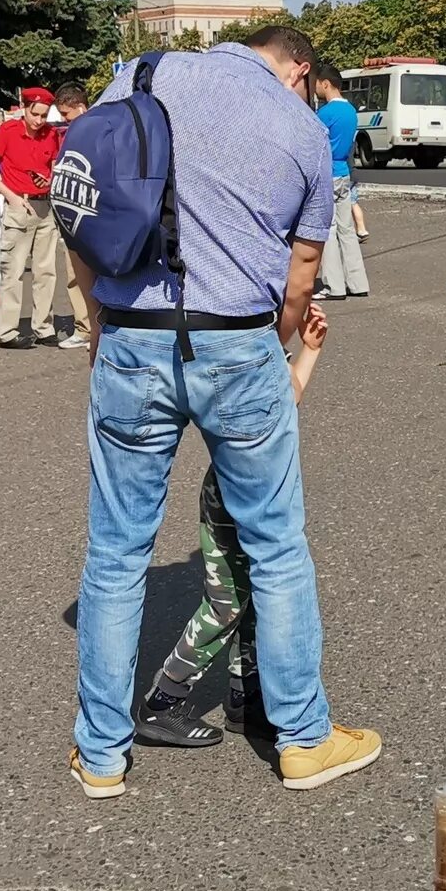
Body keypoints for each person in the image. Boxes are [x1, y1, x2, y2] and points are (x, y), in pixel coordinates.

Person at [64, 26, 379, 798]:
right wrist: (274, 346)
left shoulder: (136, 75)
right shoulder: (300, 128)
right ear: (299, 69)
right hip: (237, 340)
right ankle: (303, 737)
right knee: (275, 546)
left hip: (133, 336)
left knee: (115, 553)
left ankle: (102, 754)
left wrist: (96, 318)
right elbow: (302, 270)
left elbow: (77, 198)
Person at [136, 300, 334, 747]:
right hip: (230, 492)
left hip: (254, 487)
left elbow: (288, 396)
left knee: (257, 597)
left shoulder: (261, 332)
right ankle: (163, 701)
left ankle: (247, 697)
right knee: (227, 602)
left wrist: (310, 348)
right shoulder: (240, 332)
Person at [0, 86, 87, 351]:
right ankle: (7, 331)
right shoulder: (6, 132)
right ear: (24, 107)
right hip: (20, 205)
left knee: (46, 271)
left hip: (45, 207)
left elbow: (55, 167)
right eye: (35, 115)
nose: (39, 121)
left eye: (44, 115)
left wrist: (50, 181)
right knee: (13, 271)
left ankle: (44, 327)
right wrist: (11, 195)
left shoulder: (51, 134)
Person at [312, 69, 371, 301]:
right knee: (347, 230)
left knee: (329, 230)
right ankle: (357, 282)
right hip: (344, 172)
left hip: (327, 173)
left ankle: (333, 286)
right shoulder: (351, 111)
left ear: (326, 84)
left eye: (317, 84)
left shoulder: (324, 113)